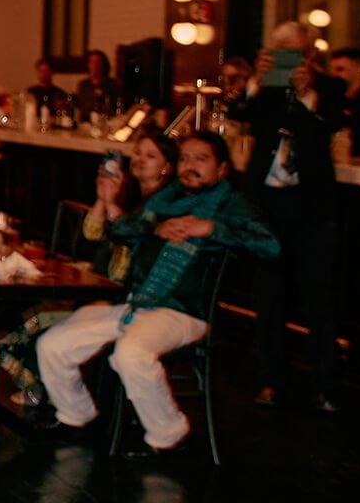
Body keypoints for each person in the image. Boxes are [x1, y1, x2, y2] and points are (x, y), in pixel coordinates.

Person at [37, 132, 279, 453]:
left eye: (201, 159)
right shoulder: (165, 200)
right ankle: (77, 416)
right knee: (53, 343)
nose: (190, 166)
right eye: (184, 158)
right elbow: (121, 230)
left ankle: (171, 435)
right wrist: (155, 229)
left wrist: (210, 229)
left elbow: (270, 246)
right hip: (137, 304)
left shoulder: (231, 203)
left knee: (130, 353)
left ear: (222, 169)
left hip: (184, 311)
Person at [0, 134, 178, 407]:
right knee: (32, 311)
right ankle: (31, 378)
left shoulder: (166, 205)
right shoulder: (133, 194)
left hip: (130, 295)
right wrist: (103, 200)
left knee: (42, 316)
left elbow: (135, 244)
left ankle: (39, 387)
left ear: (167, 167)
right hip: (104, 284)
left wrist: (112, 205)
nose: (139, 160)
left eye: (150, 156)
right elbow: (91, 233)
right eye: (137, 153)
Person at [233, 21, 348, 411]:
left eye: (294, 52)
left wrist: (306, 92)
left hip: (312, 208)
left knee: (318, 300)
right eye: (280, 50)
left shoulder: (328, 87)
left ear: (311, 54)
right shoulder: (265, 88)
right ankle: (270, 380)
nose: (288, 59)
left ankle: (325, 385)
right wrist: (256, 80)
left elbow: (330, 122)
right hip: (269, 206)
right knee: (269, 300)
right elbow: (239, 112)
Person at [75, 49, 119, 117]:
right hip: (85, 123)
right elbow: (79, 107)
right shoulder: (83, 85)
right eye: (91, 62)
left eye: (97, 62)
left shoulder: (112, 85)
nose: (94, 65)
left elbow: (115, 108)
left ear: (103, 64)